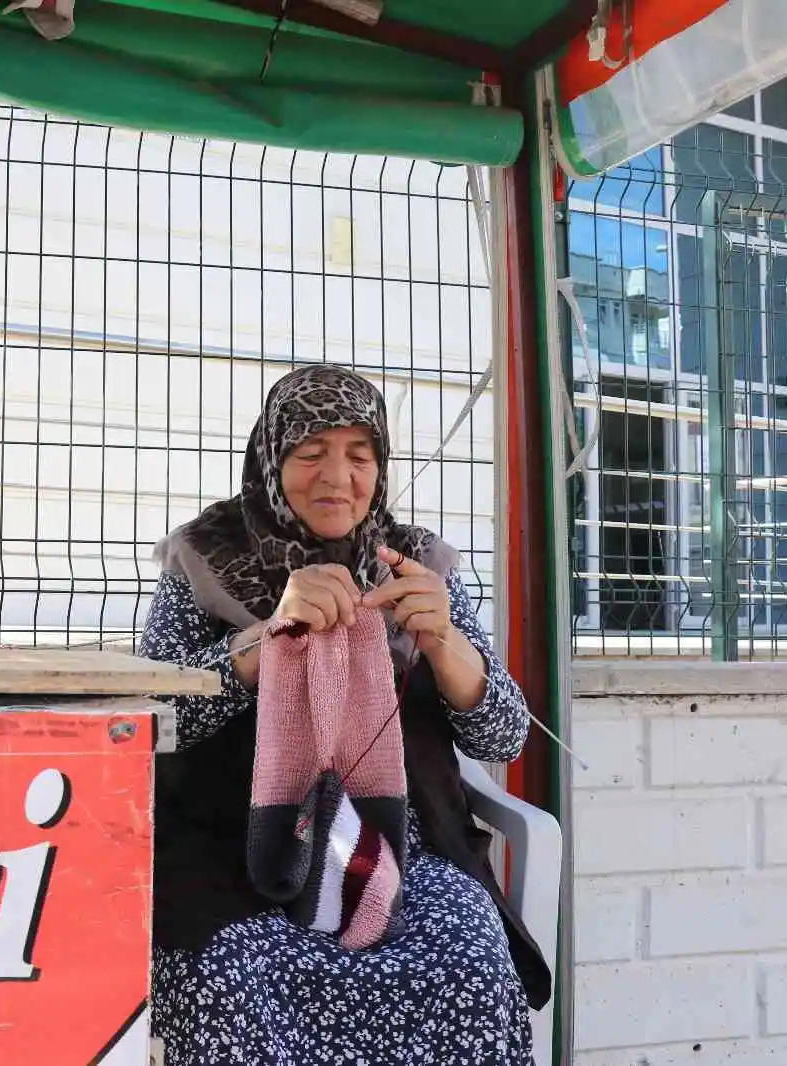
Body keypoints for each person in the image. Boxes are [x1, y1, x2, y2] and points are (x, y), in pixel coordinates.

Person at [139, 363, 552, 1066]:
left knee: (467, 960)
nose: (338, 477)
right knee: (233, 975)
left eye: (360, 456)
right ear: (271, 459)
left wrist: (444, 643)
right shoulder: (202, 561)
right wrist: (259, 642)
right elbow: (155, 720)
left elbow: (505, 735)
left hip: (400, 851)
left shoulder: (418, 566)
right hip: (232, 850)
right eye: (310, 453)